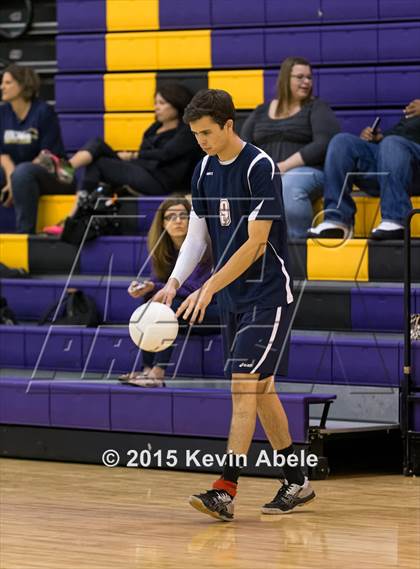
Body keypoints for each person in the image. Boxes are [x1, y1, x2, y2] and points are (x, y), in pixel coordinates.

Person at [154, 89, 315, 521]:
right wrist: (174, 283)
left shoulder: (260, 167)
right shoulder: (204, 168)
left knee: (243, 385)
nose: (201, 141)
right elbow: (198, 235)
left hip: (266, 294)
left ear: (228, 124)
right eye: (195, 135)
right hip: (233, 298)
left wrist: (207, 289)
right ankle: (297, 482)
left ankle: (224, 489)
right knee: (261, 391)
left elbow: (256, 244)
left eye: (207, 133)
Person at [121, 197, 218, 387]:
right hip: (186, 311)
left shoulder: (205, 248)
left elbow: (191, 287)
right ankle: (147, 369)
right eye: (171, 217)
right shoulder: (164, 251)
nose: (178, 220)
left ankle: (158, 373)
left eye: (184, 215)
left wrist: (156, 288)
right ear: (163, 224)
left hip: (214, 310)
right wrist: (148, 287)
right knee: (148, 305)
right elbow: (161, 284)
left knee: (168, 308)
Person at [241, 56, 340, 239]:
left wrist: (284, 166)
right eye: (300, 77)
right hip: (269, 175)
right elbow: (244, 145)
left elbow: (323, 143)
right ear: (286, 79)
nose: (306, 82)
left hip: (309, 172)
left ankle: (297, 246)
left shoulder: (317, 107)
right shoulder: (262, 110)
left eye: (309, 77)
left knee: (289, 185)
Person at [308, 98, 420, 240]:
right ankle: (337, 221)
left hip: (414, 168)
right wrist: (377, 137)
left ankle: (396, 219)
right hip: (390, 163)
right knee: (342, 142)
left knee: (392, 143)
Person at [0, 64, 76, 233]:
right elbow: (2, 154)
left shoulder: (44, 112)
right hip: (22, 173)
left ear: (22, 85)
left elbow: (46, 155)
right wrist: (12, 175)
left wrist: (17, 175)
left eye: (7, 83)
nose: (1, 87)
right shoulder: (3, 113)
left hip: (59, 173)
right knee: (17, 173)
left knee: (23, 173)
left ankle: (24, 236)